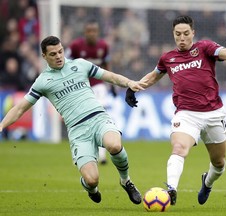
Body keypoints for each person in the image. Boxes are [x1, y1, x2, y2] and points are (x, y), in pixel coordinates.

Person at [0, 35, 146, 205]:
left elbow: (109, 76)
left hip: (98, 117)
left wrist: (129, 82)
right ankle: (90, 188)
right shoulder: (42, 82)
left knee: (114, 144)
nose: (59, 56)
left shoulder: (80, 65)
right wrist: (2, 124)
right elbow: (20, 108)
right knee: (92, 179)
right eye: (53, 54)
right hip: (77, 130)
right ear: (44, 56)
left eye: (60, 51)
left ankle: (126, 181)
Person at [125, 15, 226, 205]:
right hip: (186, 114)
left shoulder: (205, 47)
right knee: (179, 148)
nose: (182, 38)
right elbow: (153, 77)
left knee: (219, 163)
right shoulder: (168, 58)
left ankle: (207, 181)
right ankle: (171, 189)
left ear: (193, 33)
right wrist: (134, 87)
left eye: (186, 34)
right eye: (178, 34)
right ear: (173, 35)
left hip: (213, 113)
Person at [66, 19, 116, 164]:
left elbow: (107, 64)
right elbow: (65, 62)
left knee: (102, 116)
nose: (92, 34)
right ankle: (84, 151)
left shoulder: (103, 46)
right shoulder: (76, 46)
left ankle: (102, 155)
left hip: (98, 86)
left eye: (94, 31)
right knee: (84, 120)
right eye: (89, 31)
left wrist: (112, 85)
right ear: (84, 32)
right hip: (80, 87)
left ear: (98, 32)